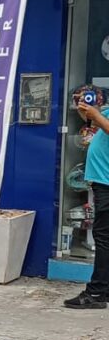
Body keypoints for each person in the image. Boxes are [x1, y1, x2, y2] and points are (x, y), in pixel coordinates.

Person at [64, 101, 109, 309]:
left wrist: (96, 116)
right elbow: (99, 124)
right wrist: (87, 114)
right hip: (103, 181)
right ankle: (104, 289)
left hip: (107, 183)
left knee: (103, 238)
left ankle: (97, 292)